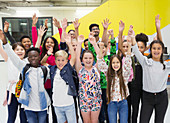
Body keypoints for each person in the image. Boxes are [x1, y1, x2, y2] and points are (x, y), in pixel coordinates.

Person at [1, 31, 51, 123]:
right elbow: (11, 55)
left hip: (42, 106)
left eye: (35, 56)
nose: (33, 58)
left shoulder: (45, 70)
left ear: (39, 58)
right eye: (31, 57)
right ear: (28, 59)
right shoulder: (24, 67)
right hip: (27, 104)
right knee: (14, 116)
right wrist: (4, 41)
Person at [130, 17, 169, 123]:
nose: (156, 51)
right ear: (150, 50)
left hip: (162, 97)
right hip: (147, 97)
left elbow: (161, 43)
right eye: (154, 48)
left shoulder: (166, 65)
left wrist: (158, 28)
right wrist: (132, 37)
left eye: (159, 48)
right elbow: (136, 50)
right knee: (143, 120)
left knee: (159, 121)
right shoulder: (146, 62)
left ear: (162, 50)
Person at [41, 34, 77, 123]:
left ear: (66, 61)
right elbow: (43, 62)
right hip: (57, 104)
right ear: (55, 60)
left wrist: (69, 43)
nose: (60, 62)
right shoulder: (52, 69)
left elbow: (74, 57)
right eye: (58, 60)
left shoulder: (68, 68)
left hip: (68, 103)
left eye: (63, 60)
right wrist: (48, 54)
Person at [98, 33, 132, 123]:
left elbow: (128, 59)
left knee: (124, 121)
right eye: (113, 63)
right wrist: (101, 48)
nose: (115, 64)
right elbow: (100, 62)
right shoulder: (108, 73)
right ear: (110, 64)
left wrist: (129, 45)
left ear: (121, 63)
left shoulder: (124, 73)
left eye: (117, 62)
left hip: (123, 102)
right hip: (112, 102)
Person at [75, 34, 102, 123]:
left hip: (96, 100)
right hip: (84, 101)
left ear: (93, 59)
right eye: (85, 58)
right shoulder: (80, 69)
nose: (88, 60)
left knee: (94, 121)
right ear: (82, 59)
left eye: (90, 58)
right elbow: (76, 59)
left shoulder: (96, 69)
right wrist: (79, 43)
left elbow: (100, 57)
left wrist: (94, 43)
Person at [0, 39, 28, 123]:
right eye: (17, 50)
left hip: (24, 92)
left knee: (24, 117)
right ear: (12, 51)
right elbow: (1, 49)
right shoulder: (9, 59)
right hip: (12, 92)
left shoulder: (27, 61)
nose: (20, 51)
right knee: (11, 116)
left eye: (22, 49)